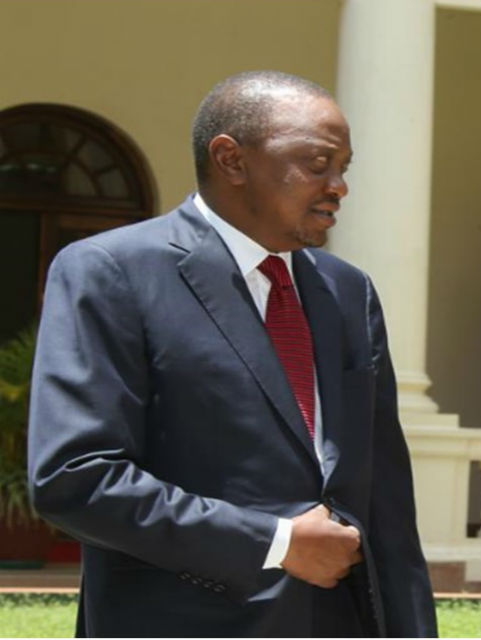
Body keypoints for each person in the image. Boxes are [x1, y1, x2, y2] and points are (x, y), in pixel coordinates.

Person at [28, 71, 437, 637]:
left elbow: (386, 498)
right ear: (232, 160)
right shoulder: (111, 272)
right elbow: (75, 479)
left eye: (344, 167)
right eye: (317, 163)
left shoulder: (348, 290)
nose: (339, 185)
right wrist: (276, 543)